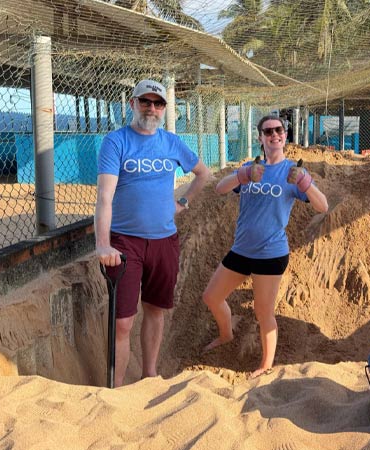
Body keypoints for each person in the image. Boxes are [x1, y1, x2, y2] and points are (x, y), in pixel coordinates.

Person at [95, 79, 212, 387]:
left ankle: (149, 375)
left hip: (164, 241)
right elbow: (105, 197)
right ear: (132, 104)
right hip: (124, 243)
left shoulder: (171, 143)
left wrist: (182, 202)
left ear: (164, 109)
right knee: (122, 323)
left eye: (158, 103)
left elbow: (203, 174)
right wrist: (103, 244)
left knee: (155, 311)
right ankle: (117, 389)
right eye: (145, 102)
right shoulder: (116, 142)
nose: (152, 108)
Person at [201, 115, 328, 379]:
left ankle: (265, 365)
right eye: (267, 131)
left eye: (278, 130)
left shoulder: (292, 172)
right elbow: (220, 188)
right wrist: (243, 174)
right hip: (241, 250)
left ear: (285, 135)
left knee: (263, 312)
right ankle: (226, 335)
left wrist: (304, 182)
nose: (273, 135)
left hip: (271, 254)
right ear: (260, 138)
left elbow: (323, 206)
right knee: (211, 297)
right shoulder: (251, 167)